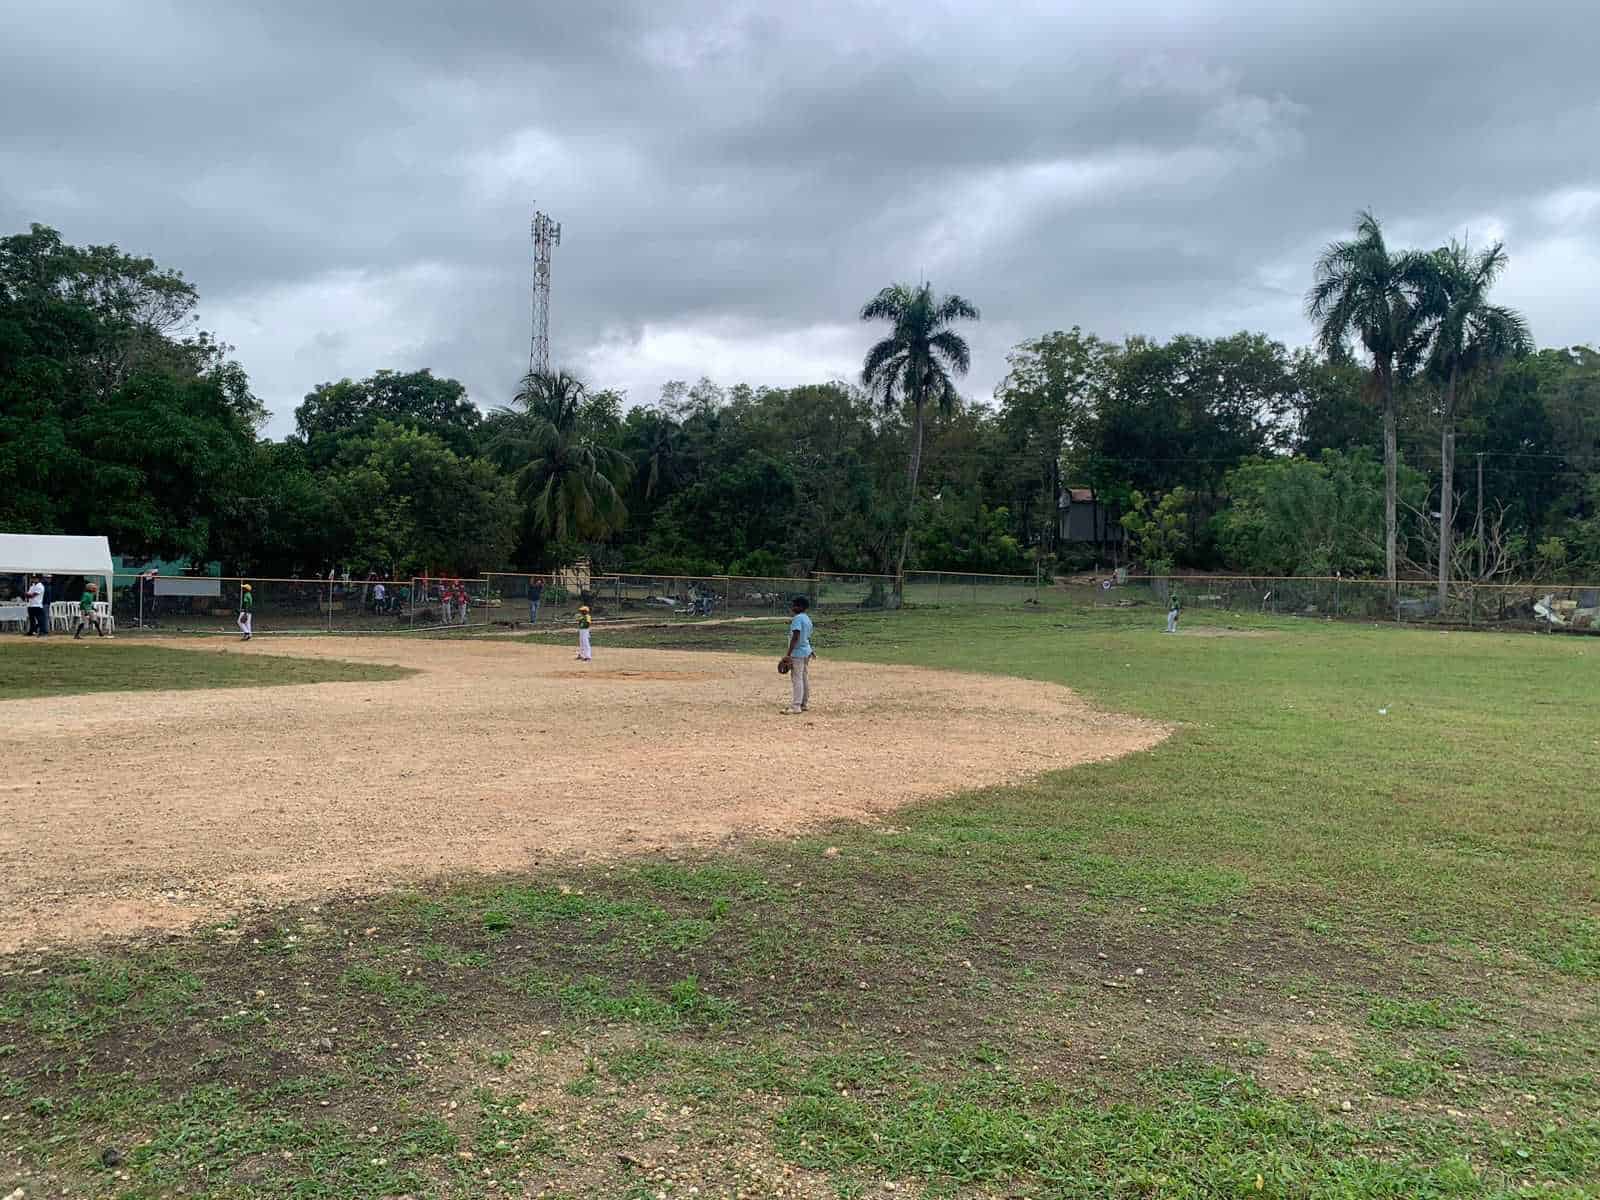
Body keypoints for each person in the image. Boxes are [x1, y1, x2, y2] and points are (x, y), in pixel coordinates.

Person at [780, 595, 815, 714]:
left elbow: (796, 636)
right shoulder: (807, 619)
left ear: (800, 607)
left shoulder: (797, 619)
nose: (792, 607)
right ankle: (804, 704)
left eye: (795, 605)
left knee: (797, 679)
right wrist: (811, 650)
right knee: (803, 678)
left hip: (798, 653)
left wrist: (788, 654)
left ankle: (796, 706)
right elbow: (807, 637)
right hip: (806, 651)